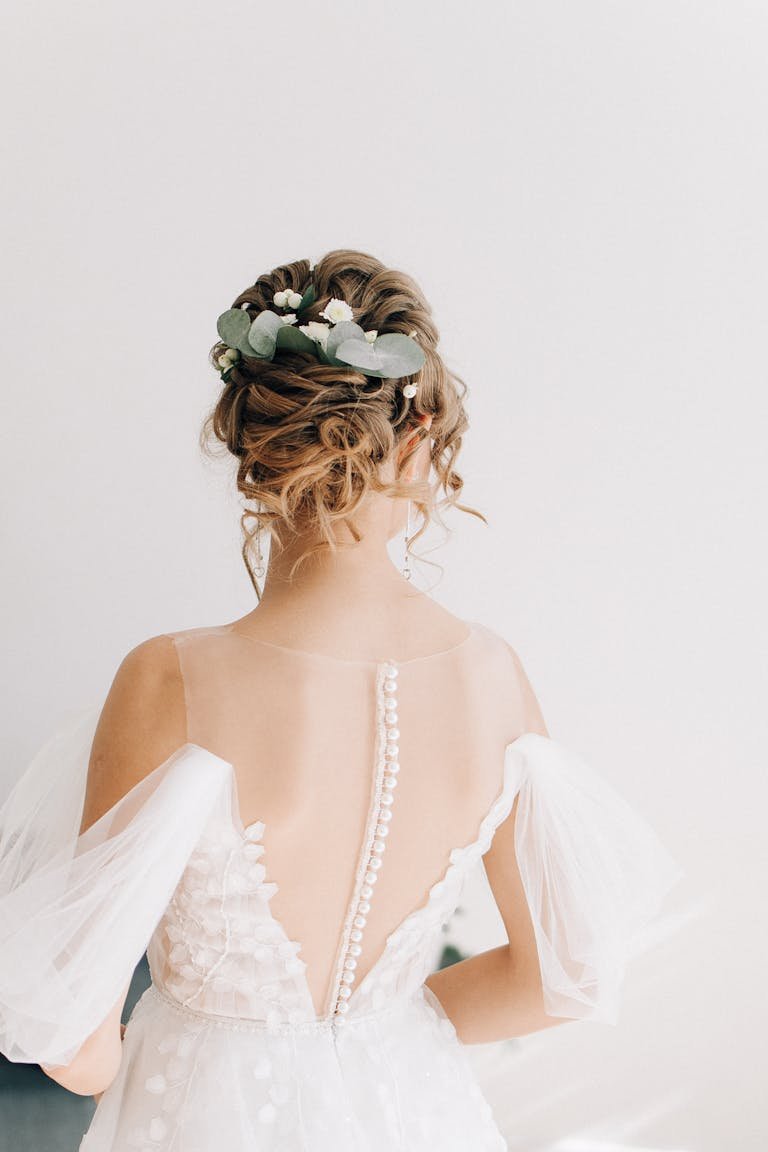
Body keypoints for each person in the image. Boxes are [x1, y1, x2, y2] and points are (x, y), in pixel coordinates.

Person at [0, 250, 683, 1151]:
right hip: (413, 1108)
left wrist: (135, 1061)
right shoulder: (493, 676)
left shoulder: (169, 677)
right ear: (420, 437)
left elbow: (72, 1035)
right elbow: (572, 974)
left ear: (254, 444)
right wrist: (382, 1034)